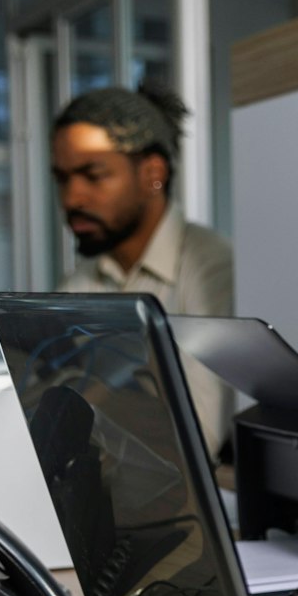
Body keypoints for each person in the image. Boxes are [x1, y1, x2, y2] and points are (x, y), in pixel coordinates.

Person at [51, 84, 233, 456]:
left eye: (94, 174)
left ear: (153, 174)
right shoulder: (81, 279)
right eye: (63, 178)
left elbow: (199, 437)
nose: (72, 198)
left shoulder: (210, 266)